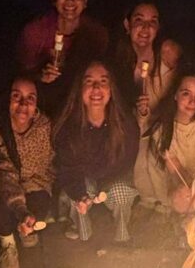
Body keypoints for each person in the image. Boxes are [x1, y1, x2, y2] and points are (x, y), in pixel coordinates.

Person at [0, 77, 55, 268]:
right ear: (6, 99)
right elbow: (2, 172)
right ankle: (7, 242)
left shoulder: (44, 126)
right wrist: (20, 208)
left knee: (40, 205)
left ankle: (26, 229)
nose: (24, 104)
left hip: (35, 184)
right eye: (17, 97)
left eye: (30, 98)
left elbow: (48, 167)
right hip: (3, 188)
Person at [53, 61, 139, 244]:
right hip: (84, 178)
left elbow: (126, 163)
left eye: (103, 81)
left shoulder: (125, 123)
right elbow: (67, 169)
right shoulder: (68, 126)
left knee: (121, 193)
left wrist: (103, 188)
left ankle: (122, 237)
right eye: (89, 81)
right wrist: (81, 196)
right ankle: (83, 232)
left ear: (111, 89)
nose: (96, 88)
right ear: (80, 89)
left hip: (114, 178)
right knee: (76, 198)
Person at [113, 0, 183, 207]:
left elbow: (186, 86)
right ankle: (148, 203)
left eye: (152, 22)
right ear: (127, 25)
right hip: (141, 126)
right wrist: (139, 111)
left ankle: (168, 205)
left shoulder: (167, 52)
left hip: (168, 124)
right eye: (139, 20)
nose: (146, 28)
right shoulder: (122, 61)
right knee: (139, 163)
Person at [16, 0, 109, 116]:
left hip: (80, 108)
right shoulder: (35, 32)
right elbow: (21, 77)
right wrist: (40, 76)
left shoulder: (96, 34)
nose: (70, 0)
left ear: (85, 0)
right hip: (42, 105)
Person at [139, 72, 195, 218]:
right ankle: (187, 222)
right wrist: (188, 191)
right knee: (181, 201)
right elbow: (176, 171)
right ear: (176, 95)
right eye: (186, 94)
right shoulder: (163, 128)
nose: (193, 102)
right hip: (184, 181)